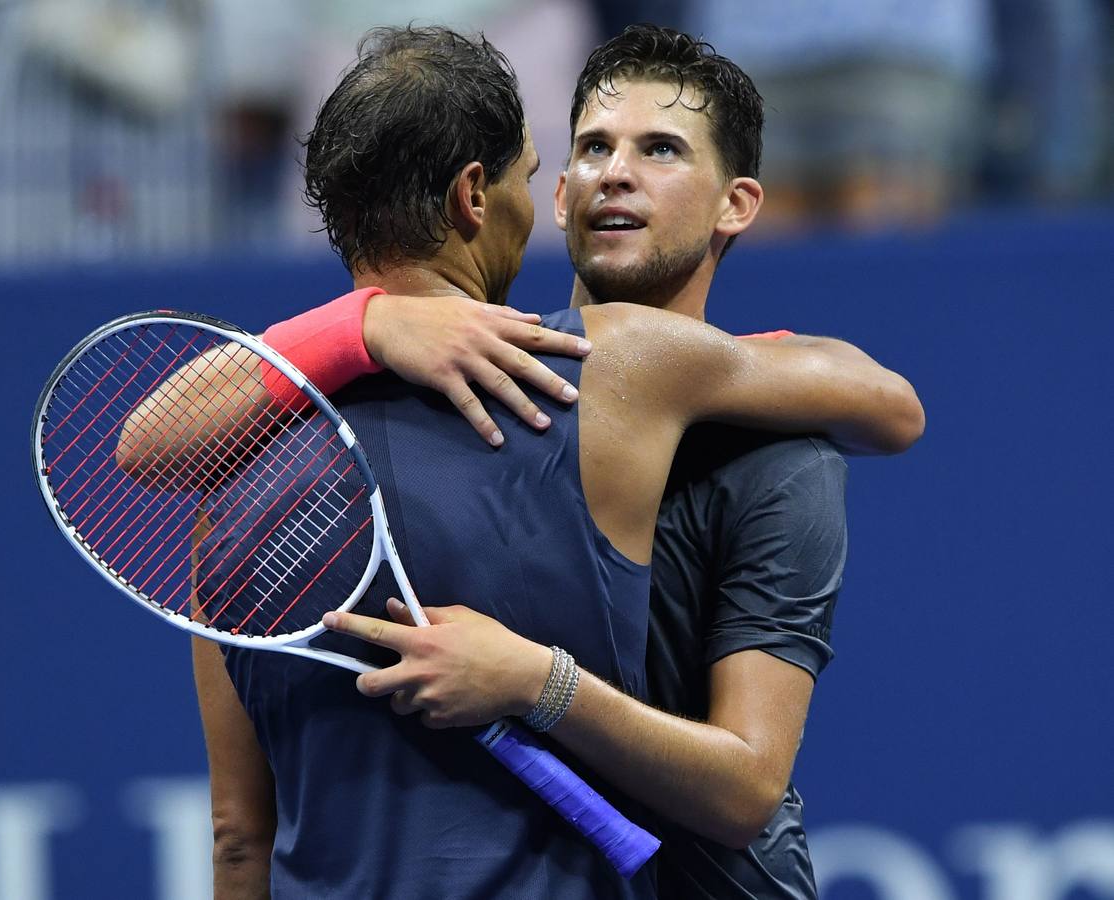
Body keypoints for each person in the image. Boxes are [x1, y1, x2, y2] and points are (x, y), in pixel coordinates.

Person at [130, 25, 923, 898]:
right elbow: (889, 404)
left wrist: (356, 324)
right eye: (558, 160)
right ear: (480, 195)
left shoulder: (226, 460)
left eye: (658, 149)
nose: (607, 175)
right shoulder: (608, 368)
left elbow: (239, 841)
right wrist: (373, 323)